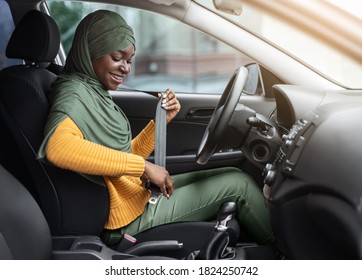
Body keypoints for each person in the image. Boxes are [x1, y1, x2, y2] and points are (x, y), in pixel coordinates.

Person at [37, 9, 274, 248]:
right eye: (117, 58)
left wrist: (161, 122)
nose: (126, 68)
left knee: (232, 173)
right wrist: (144, 167)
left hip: (135, 196)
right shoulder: (74, 93)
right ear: (92, 51)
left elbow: (120, 155)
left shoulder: (93, 91)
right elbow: (58, 148)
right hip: (126, 220)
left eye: (129, 61)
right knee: (239, 185)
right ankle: (285, 254)